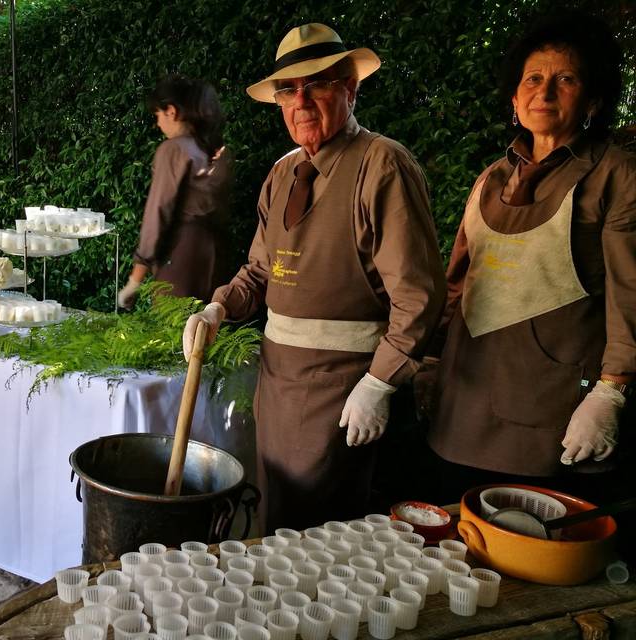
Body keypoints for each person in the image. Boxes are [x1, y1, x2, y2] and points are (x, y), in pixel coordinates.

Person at [182, 23, 446, 531]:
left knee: (320, 535)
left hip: (343, 386)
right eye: (288, 89)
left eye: (318, 84)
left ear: (350, 87)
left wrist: (379, 382)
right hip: (277, 381)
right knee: (275, 515)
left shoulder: (381, 165)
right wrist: (218, 307)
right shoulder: (283, 173)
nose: (301, 101)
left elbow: (418, 296)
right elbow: (259, 270)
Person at [423, 11, 635, 510]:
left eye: (565, 79)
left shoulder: (616, 176)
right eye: (533, 79)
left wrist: (612, 390)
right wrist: (431, 362)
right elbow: (457, 286)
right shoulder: (490, 179)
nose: (545, 91)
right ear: (515, 102)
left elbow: (630, 294)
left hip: (552, 411)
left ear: (593, 100)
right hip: (463, 403)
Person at [117, 75, 232, 309]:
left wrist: (134, 280)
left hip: (180, 257)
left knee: (174, 337)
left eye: (157, 115)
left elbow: (157, 214)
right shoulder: (216, 150)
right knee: (208, 336)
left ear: (171, 111)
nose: (158, 123)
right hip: (217, 257)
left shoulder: (173, 150)